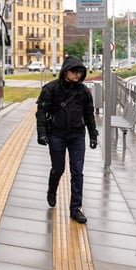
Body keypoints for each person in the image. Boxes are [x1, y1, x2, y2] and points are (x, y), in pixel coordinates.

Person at [35, 55, 98, 224]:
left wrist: (93, 134)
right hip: (56, 134)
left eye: (80, 72)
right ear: (65, 71)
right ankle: (52, 189)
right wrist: (41, 133)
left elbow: (89, 114)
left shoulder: (84, 92)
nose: (77, 75)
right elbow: (41, 112)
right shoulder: (51, 89)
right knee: (58, 168)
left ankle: (75, 208)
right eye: (74, 71)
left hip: (77, 136)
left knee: (77, 172)